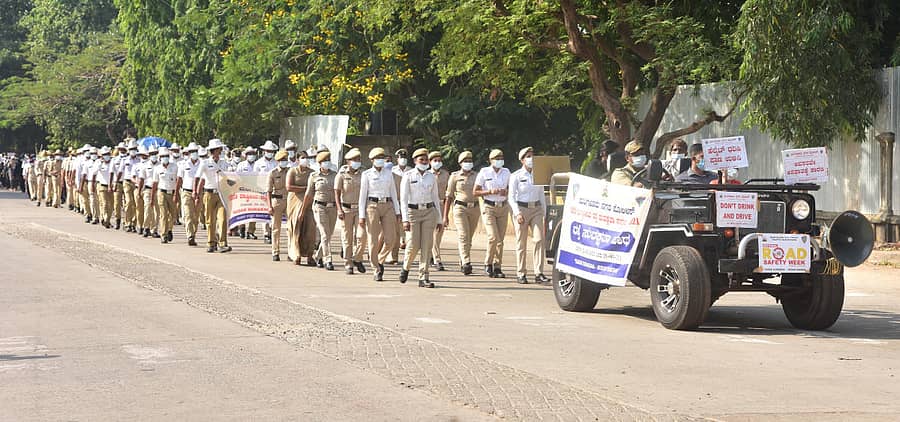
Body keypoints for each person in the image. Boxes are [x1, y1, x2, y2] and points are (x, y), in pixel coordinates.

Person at [398, 148, 442, 287]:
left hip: (429, 212)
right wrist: (405, 219)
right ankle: (406, 267)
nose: (424, 162)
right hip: (413, 212)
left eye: (426, 159)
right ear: (415, 161)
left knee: (427, 245)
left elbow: (435, 198)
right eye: (421, 159)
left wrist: (439, 219)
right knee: (413, 244)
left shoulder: (431, 177)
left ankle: (423, 277)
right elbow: (403, 199)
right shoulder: (408, 175)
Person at [358, 147, 400, 281]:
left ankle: (380, 259)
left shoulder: (389, 173)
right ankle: (376, 269)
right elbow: (362, 196)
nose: (380, 160)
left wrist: (398, 211)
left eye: (382, 158)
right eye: (377, 158)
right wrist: (361, 215)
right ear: (372, 160)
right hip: (372, 206)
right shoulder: (367, 174)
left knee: (391, 238)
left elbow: (393, 193)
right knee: (373, 239)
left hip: (388, 205)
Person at [508, 146, 549, 284]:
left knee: (539, 240)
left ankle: (539, 272)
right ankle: (521, 273)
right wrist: (517, 213)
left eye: (532, 156)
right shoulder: (516, 176)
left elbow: (542, 194)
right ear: (522, 160)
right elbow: (511, 197)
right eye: (528, 157)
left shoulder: (539, 174)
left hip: (536, 209)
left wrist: (545, 213)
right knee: (521, 242)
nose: (531, 159)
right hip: (522, 209)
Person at [474, 148, 510, 278]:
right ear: (491, 160)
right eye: (497, 158)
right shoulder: (484, 172)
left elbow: (511, 188)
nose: (499, 160)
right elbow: (475, 191)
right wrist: (489, 191)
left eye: (501, 158)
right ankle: (488, 263)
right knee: (493, 237)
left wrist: (506, 192)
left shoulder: (506, 172)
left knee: (500, 239)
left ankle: (497, 266)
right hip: (489, 206)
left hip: (503, 207)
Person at [443, 151, 479, 275]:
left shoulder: (477, 175)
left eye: (470, 161)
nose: (468, 163)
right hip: (460, 208)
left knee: (469, 237)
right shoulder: (454, 176)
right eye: (465, 161)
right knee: (463, 235)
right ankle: (466, 262)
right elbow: (449, 196)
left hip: (474, 208)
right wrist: (445, 216)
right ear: (460, 163)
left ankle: (463, 257)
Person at [193, 139, 233, 253]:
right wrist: (195, 192)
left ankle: (223, 243)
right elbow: (197, 177)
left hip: (222, 193)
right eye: (218, 149)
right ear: (214, 150)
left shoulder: (224, 163)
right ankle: (211, 243)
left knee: (223, 219)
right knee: (210, 220)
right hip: (209, 193)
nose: (220, 151)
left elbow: (230, 176)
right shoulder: (205, 163)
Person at [301, 150, 338, 270]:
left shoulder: (335, 175)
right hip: (319, 206)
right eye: (324, 161)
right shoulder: (314, 176)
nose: (327, 162)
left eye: (328, 160)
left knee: (329, 234)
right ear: (320, 163)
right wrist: (303, 210)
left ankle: (318, 256)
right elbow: (308, 194)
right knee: (324, 233)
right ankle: (328, 259)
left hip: (333, 207)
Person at [334, 148, 367, 274]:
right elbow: (337, 193)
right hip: (346, 209)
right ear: (348, 161)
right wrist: (339, 209)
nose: (357, 161)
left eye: (358, 159)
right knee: (347, 238)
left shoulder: (364, 173)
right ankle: (348, 263)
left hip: (360, 209)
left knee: (362, 236)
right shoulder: (341, 175)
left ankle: (357, 258)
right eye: (354, 159)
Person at [286, 149, 316, 265]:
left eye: (306, 158)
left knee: (310, 229)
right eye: (303, 158)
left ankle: (310, 255)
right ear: (298, 160)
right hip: (295, 202)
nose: (305, 160)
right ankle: (296, 254)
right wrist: (305, 189)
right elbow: (289, 187)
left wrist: (309, 191)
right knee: (296, 227)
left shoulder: (312, 173)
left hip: (309, 202)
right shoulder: (293, 171)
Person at [152, 147, 179, 243]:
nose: (165, 158)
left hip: (172, 193)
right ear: (160, 157)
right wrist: (152, 197)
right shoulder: (157, 168)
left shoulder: (175, 167)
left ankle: (169, 229)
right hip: (161, 192)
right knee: (163, 214)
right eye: (163, 156)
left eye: (166, 156)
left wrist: (177, 194)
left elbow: (178, 180)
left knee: (173, 214)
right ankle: (163, 234)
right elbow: (155, 183)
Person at [177, 142, 202, 245]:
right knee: (188, 215)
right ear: (189, 152)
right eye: (192, 151)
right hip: (186, 192)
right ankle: (190, 235)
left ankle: (193, 233)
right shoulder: (183, 164)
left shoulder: (202, 164)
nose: (194, 153)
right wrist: (176, 193)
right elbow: (179, 179)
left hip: (199, 193)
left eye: (195, 151)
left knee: (196, 216)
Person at [267, 150, 290, 261]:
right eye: (282, 160)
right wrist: (269, 206)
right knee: (276, 228)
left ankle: (291, 252)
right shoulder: (273, 173)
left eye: (285, 159)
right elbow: (268, 191)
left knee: (291, 227)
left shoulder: (291, 171)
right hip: (277, 201)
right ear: (278, 161)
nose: (284, 161)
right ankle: (275, 251)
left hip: (289, 200)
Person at [255, 140, 279, 244]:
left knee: (273, 212)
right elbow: (254, 177)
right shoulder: (258, 163)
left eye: (271, 151)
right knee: (265, 212)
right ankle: (266, 233)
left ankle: (272, 231)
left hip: (274, 190)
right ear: (264, 151)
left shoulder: (276, 163)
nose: (270, 152)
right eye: (268, 151)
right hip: (262, 190)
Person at [429, 151, 450, 271]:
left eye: (439, 160)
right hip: (430, 206)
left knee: (439, 232)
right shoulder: (427, 175)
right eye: (435, 160)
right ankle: (437, 259)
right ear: (430, 162)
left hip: (441, 205)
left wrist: (446, 213)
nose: (437, 162)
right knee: (432, 233)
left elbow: (449, 194)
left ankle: (431, 256)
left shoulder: (446, 175)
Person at [389, 148, 410, 264]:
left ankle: (408, 258)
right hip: (396, 203)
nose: (403, 159)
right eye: (401, 157)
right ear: (397, 159)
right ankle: (394, 256)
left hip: (408, 203)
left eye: (405, 157)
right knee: (395, 231)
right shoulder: (392, 171)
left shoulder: (411, 171)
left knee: (408, 231)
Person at [236, 146, 258, 240]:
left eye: (253, 154)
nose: (251, 155)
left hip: (255, 190)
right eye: (249, 154)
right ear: (246, 155)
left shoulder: (257, 164)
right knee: (243, 210)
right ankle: (242, 228)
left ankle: (251, 231)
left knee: (254, 211)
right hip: (243, 190)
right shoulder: (241, 165)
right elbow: (237, 177)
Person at [139, 147, 160, 237]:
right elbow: (141, 179)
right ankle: (146, 227)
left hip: (158, 190)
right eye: (152, 154)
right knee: (147, 208)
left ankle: (154, 230)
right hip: (148, 189)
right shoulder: (145, 165)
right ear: (149, 155)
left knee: (157, 211)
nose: (153, 155)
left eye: (155, 153)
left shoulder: (160, 165)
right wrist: (139, 191)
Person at [132, 146, 149, 235]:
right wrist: (136, 181)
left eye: (145, 154)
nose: (143, 156)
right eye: (142, 154)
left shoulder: (150, 165)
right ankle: (140, 225)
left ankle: (147, 226)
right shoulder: (136, 165)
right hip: (137, 188)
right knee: (139, 208)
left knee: (147, 208)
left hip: (147, 188)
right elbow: (132, 177)